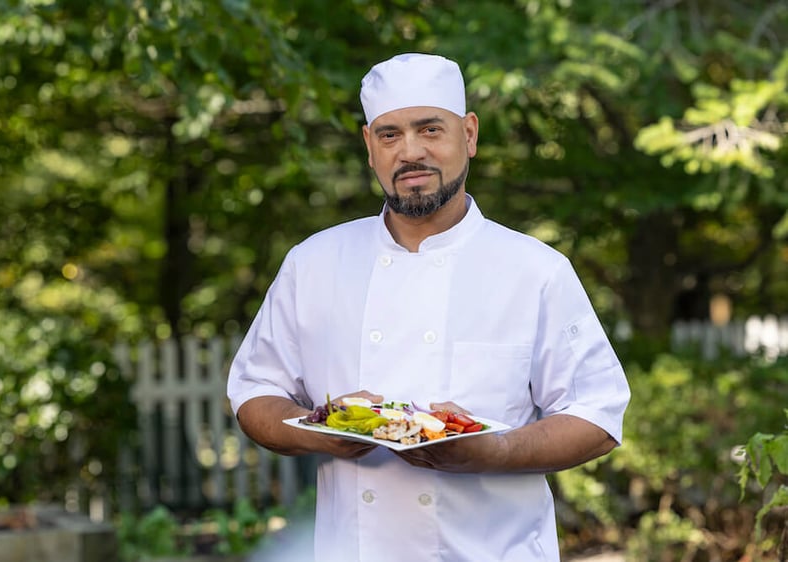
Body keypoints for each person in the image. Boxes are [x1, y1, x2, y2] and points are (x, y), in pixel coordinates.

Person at [227, 52, 630, 561]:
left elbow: (597, 417)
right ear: (370, 148)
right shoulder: (313, 263)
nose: (410, 151)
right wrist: (324, 431)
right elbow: (254, 393)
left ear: (470, 135)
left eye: (430, 130)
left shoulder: (536, 270)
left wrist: (493, 449)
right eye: (390, 135)